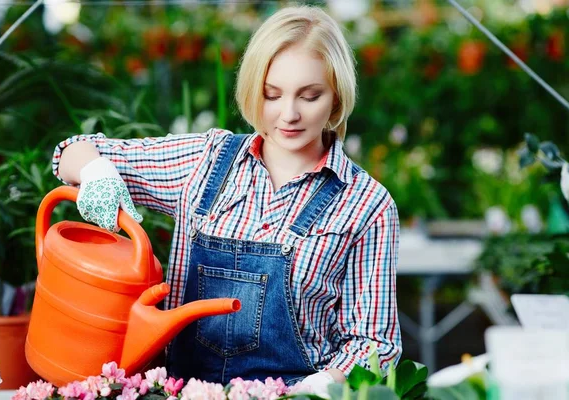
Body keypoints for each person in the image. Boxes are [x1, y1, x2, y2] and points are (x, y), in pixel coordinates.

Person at [53, 5, 401, 396]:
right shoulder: (204, 163)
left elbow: (376, 344)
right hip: (182, 392)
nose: (289, 114)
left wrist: (322, 385)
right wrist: (95, 172)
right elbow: (72, 152)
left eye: (310, 96)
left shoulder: (367, 204)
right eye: (272, 94)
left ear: (336, 95)